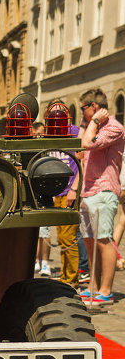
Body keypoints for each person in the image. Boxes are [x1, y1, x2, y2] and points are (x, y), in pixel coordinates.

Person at [77, 89, 125, 305]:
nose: (81, 113)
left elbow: (87, 144)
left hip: (104, 191)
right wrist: (89, 123)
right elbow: (79, 150)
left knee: (104, 241)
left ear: (94, 107)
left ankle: (105, 291)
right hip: (88, 191)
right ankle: (93, 288)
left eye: (82, 108)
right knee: (89, 241)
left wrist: (94, 121)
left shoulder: (114, 127)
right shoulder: (91, 127)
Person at [51, 122, 80, 287]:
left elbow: (81, 159)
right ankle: (65, 276)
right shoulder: (52, 134)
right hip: (58, 191)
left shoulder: (74, 131)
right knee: (61, 238)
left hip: (70, 191)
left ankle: (72, 278)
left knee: (68, 238)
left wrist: (74, 190)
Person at [32, 122, 52, 276]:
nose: (40, 136)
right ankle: (35, 261)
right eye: (38, 133)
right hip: (32, 193)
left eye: (42, 133)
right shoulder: (28, 149)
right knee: (34, 231)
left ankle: (45, 262)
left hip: (43, 192)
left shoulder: (46, 152)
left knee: (44, 231)